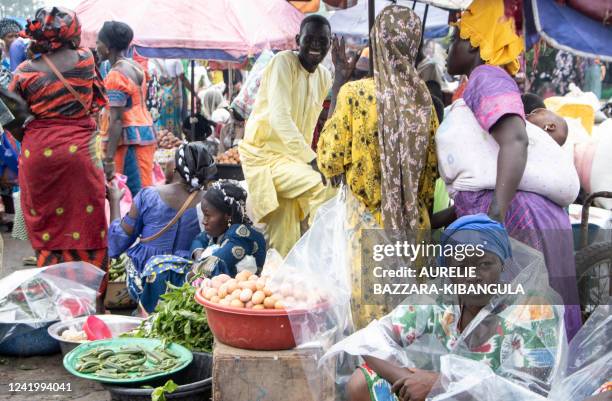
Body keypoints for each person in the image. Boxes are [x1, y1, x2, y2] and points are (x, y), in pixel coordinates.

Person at [439, 0, 581, 340]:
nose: (450, 45)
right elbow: (482, 171)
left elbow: (516, 141)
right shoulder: (479, 83)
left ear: (475, 42)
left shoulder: (487, 77)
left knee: (520, 328)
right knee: (528, 325)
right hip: (521, 215)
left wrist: (493, 222)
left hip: (517, 221)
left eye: (457, 36)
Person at [335, 214, 564, 401]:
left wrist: (439, 383)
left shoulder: (533, 311)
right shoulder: (443, 302)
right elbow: (370, 340)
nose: (472, 276)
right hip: (450, 393)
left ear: (502, 266)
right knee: (362, 382)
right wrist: (409, 380)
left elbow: (532, 393)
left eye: (485, 264)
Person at [317, 6, 439, 329]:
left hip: (367, 231)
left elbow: (328, 159)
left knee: (372, 335)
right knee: (406, 331)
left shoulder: (355, 95)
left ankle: (372, 382)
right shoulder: (424, 102)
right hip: (415, 232)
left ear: (378, 41)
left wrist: (339, 81)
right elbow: (428, 182)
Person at [9, 8, 108, 279]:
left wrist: (35, 137)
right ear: (72, 31)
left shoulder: (23, 72)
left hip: (39, 154)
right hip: (82, 152)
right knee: (88, 220)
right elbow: (98, 102)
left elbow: (9, 117)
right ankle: (91, 295)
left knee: (48, 225)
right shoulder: (86, 60)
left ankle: (55, 295)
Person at [239, 14, 336, 257]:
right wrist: (312, 159)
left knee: (284, 237)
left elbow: (322, 120)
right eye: (309, 39)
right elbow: (279, 119)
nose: (315, 45)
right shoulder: (283, 62)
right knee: (322, 185)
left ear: (330, 43)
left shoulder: (324, 76)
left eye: (322, 40)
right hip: (266, 157)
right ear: (297, 40)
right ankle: (320, 258)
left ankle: (280, 282)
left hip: (294, 159)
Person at [107, 142, 216, 314]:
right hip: (187, 284)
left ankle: (143, 311)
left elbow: (117, 242)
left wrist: (114, 201)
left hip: (146, 280)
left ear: (176, 169)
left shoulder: (148, 196)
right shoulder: (211, 203)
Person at [96, 21, 156, 195]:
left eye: (99, 42)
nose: (96, 47)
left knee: (133, 196)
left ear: (108, 47)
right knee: (144, 192)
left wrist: (108, 160)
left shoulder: (116, 76)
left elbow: (116, 120)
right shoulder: (135, 66)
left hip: (129, 143)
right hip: (144, 135)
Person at [190, 181, 267, 278]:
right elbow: (199, 239)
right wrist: (199, 256)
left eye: (208, 215)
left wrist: (194, 268)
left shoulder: (241, 235)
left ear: (227, 215)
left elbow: (214, 264)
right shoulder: (220, 229)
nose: (204, 221)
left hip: (242, 290)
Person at [149, 58, 193, 133]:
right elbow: (182, 78)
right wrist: (193, 92)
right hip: (173, 96)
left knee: (161, 119)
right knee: (175, 120)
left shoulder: (155, 60)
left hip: (161, 96)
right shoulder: (176, 60)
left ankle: (163, 138)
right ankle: (174, 139)